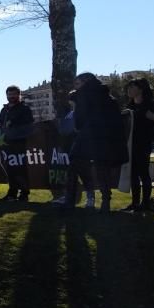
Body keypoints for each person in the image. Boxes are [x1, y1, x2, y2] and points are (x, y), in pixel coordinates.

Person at [62, 73, 127, 213]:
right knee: (101, 168)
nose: (76, 87)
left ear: (85, 82)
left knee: (74, 164)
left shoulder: (83, 97)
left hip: (88, 135)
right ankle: (105, 201)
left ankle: (69, 200)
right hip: (105, 138)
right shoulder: (108, 98)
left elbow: (79, 122)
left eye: (78, 84)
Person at [0, 85, 34, 201]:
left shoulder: (24, 109)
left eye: (13, 94)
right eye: (9, 94)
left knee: (21, 169)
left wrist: (14, 122)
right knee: (10, 169)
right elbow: (0, 120)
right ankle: (12, 193)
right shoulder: (4, 109)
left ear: (18, 95)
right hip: (6, 143)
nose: (11, 97)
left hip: (19, 143)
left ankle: (24, 193)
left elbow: (29, 123)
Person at [124, 78, 154, 212]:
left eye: (132, 87)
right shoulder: (130, 107)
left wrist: (153, 118)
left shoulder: (151, 105)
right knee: (132, 174)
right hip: (130, 144)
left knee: (143, 173)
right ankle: (135, 203)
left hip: (143, 144)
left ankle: (145, 204)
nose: (129, 90)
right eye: (129, 87)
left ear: (140, 89)